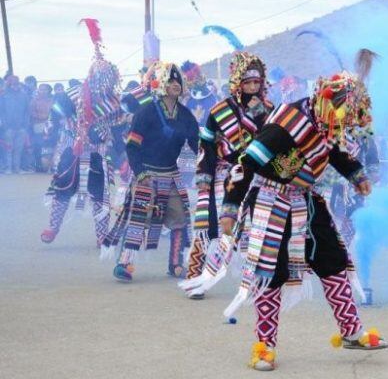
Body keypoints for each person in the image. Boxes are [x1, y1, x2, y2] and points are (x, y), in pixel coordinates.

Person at [217, 51, 388, 371]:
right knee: (270, 273)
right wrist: (229, 207)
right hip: (271, 202)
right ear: (331, 104)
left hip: (307, 201)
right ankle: (264, 346)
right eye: (346, 116)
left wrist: (356, 174)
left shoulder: (326, 120)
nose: (346, 125)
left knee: (334, 261)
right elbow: (246, 163)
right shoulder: (286, 125)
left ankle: (351, 331)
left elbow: (334, 150)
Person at [179, 52, 273, 300]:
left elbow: (274, 142)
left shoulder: (269, 110)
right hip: (225, 174)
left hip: (256, 176)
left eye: (257, 83)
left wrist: (261, 114)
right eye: (248, 83)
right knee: (218, 227)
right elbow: (207, 145)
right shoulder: (220, 111)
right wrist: (204, 177)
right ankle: (195, 278)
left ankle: (252, 281)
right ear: (238, 84)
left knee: (254, 230)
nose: (253, 88)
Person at [102, 61, 199, 282]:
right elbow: (132, 146)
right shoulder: (146, 112)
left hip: (171, 174)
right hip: (147, 173)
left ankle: (175, 264)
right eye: (172, 81)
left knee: (180, 219)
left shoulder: (186, 115)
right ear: (162, 83)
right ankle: (125, 263)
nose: (176, 85)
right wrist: (141, 172)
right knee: (139, 219)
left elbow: (197, 144)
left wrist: (211, 157)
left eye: (179, 81)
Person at [40, 19, 124, 245]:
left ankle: (101, 235)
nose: (106, 84)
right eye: (103, 79)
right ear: (94, 77)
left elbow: (118, 130)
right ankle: (53, 227)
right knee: (63, 185)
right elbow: (55, 116)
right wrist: (50, 139)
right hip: (72, 148)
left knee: (100, 192)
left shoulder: (115, 103)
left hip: (99, 150)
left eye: (110, 79)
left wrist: (123, 157)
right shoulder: (73, 93)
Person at [0, 74, 30, 174]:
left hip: (21, 127)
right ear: (9, 84)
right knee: (8, 148)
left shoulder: (24, 96)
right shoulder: (4, 96)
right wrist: (5, 125)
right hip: (8, 127)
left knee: (19, 148)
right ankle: (8, 168)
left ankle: (16, 168)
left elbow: (27, 112)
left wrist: (25, 125)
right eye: (12, 83)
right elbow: (1, 112)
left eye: (16, 83)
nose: (15, 85)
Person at [30, 83, 54, 172]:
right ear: (38, 90)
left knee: (49, 145)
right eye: (41, 89)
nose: (43, 91)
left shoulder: (52, 100)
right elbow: (31, 112)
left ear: (48, 90)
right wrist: (41, 117)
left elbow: (55, 111)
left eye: (45, 89)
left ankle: (49, 166)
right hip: (38, 125)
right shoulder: (34, 100)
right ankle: (39, 165)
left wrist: (50, 118)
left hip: (50, 125)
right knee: (38, 145)